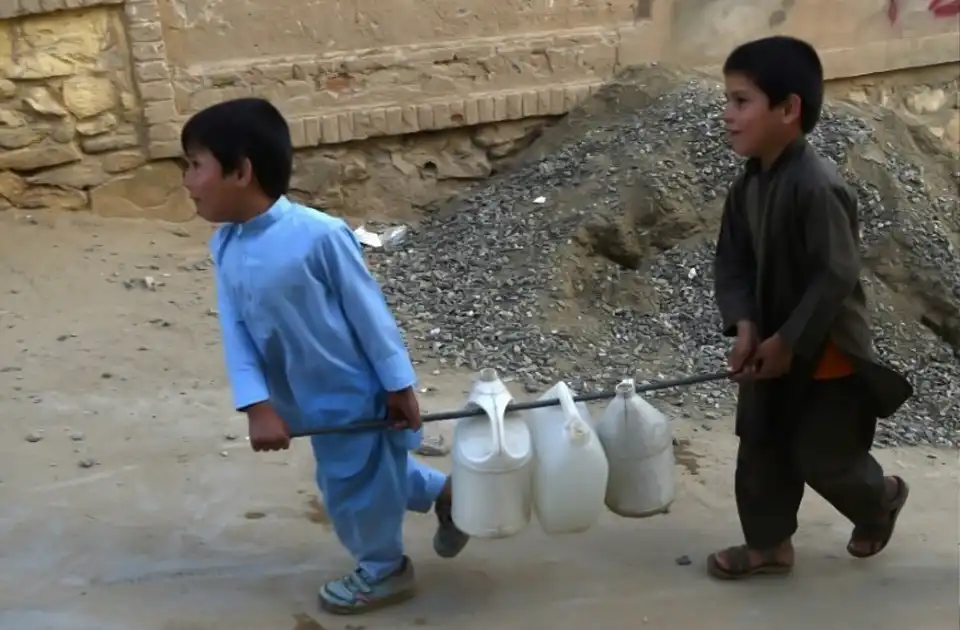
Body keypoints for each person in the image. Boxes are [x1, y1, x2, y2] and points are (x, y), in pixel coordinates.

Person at [180, 97, 469, 613]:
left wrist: (399, 387)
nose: (186, 180)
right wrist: (258, 405)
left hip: (352, 392)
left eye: (195, 165)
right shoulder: (226, 246)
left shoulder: (320, 236)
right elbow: (236, 329)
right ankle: (447, 496)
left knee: (348, 486)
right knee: (369, 468)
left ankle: (385, 569)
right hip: (300, 396)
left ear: (240, 172)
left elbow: (371, 317)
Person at [709, 36, 914, 580]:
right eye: (727, 100)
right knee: (760, 444)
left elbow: (836, 275)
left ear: (788, 109)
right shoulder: (746, 189)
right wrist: (746, 326)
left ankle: (880, 499)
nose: (727, 114)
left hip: (825, 352)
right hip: (770, 345)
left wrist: (789, 340)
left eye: (741, 101)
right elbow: (731, 262)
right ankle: (768, 545)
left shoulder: (818, 187)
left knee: (825, 458)